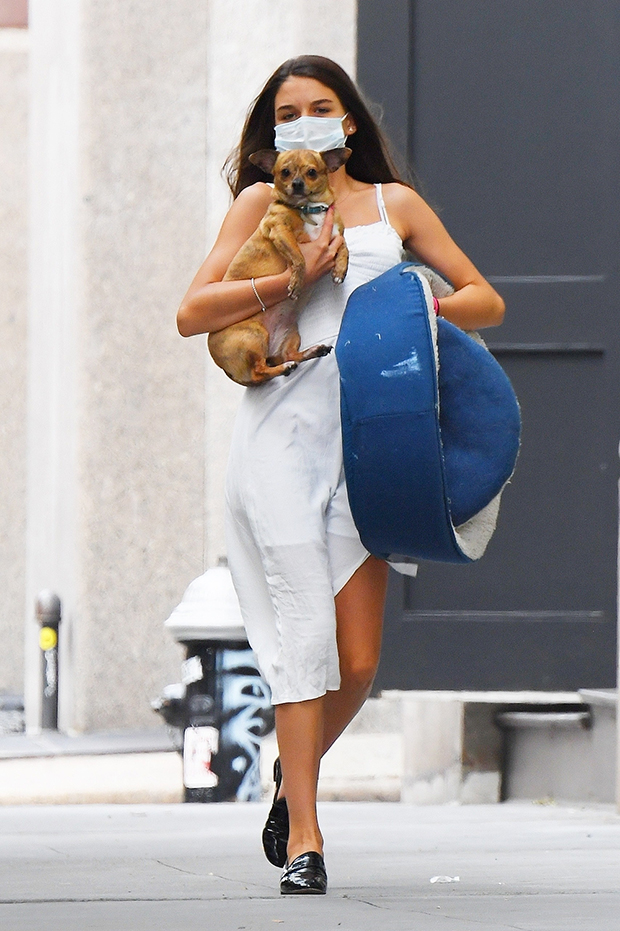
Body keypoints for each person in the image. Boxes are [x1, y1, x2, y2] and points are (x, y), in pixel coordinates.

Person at [177, 55, 504, 895]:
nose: (305, 125)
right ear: (274, 134)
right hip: (281, 439)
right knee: (304, 637)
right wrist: (294, 279)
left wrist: (418, 304)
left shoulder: (392, 206)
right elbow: (190, 312)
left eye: (321, 109)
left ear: (349, 122)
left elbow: (484, 297)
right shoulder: (263, 204)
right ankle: (308, 843)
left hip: (374, 447)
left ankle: (294, 780)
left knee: (357, 660)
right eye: (288, 115)